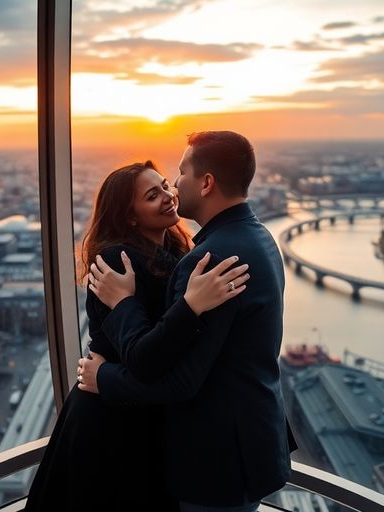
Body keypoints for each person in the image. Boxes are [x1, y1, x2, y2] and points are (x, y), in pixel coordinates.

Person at [80, 131, 295, 512]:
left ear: (207, 182)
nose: (174, 188)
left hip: (218, 458)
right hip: (246, 443)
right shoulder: (259, 237)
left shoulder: (210, 260)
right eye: (157, 189)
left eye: (177, 175)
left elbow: (180, 380)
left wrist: (105, 377)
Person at [24, 161, 249, 512]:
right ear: (129, 217)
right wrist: (191, 305)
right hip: (110, 422)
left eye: (163, 186)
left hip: (137, 410)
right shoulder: (116, 261)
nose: (167, 196)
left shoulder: (174, 252)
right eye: (152, 195)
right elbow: (144, 358)